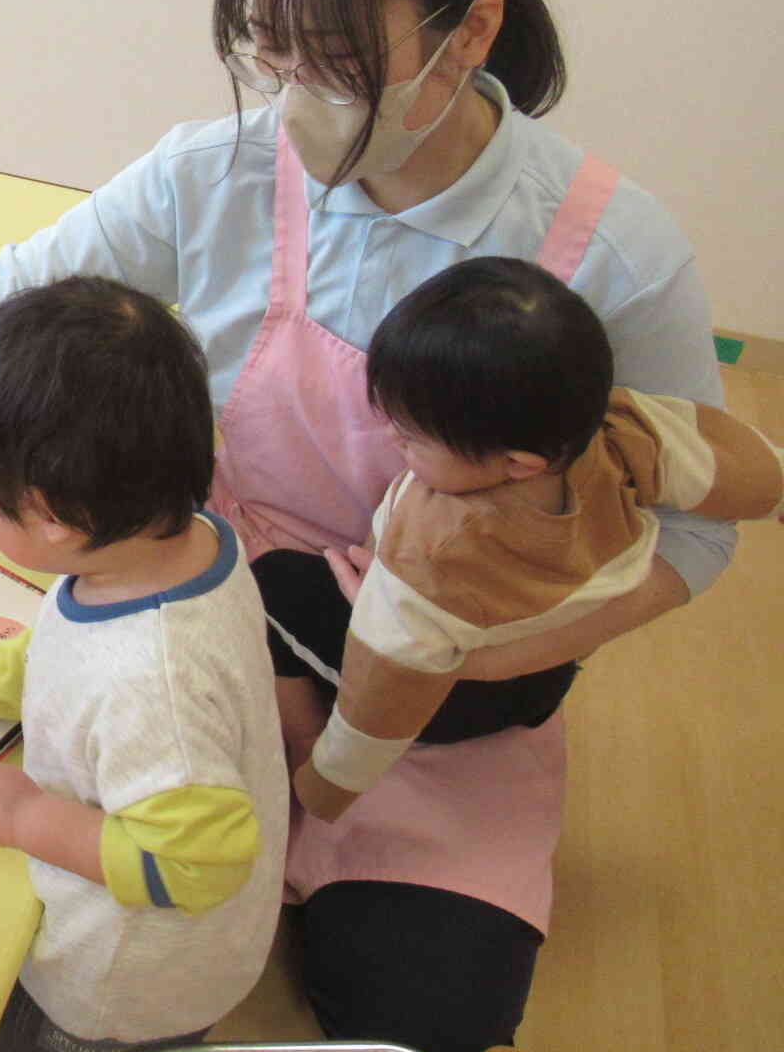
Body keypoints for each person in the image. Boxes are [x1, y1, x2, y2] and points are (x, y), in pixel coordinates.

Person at [0, 0, 734, 1052]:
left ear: (470, 33)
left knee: (422, 1042)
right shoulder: (220, 172)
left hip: (440, 681)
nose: (290, 94)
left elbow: (695, 529)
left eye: (335, 62)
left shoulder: (607, 250)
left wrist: (427, 663)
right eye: (267, 50)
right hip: (200, 598)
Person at [0, 279, 285, 1052]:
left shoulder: (156, 683)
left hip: (124, 984)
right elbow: (74, 647)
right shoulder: (177, 540)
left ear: (57, 517)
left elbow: (194, 867)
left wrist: (30, 815)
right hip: (147, 892)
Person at [297, 258, 783, 822]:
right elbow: (728, 462)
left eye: (409, 439)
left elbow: (385, 688)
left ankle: (307, 757)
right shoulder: (619, 431)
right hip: (549, 678)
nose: (390, 437)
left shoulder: (435, 550)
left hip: (454, 697)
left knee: (279, 581)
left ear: (519, 464)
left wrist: (327, 785)